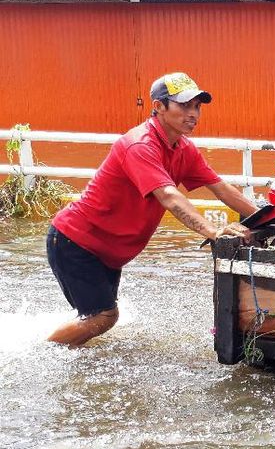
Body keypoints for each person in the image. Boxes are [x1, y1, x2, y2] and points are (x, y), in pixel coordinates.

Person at [46, 72, 258, 346]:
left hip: (106, 251)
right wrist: (214, 231)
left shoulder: (183, 148)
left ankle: (63, 352)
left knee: (97, 317)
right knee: (102, 317)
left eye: (197, 107)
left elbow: (221, 188)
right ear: (158, 106)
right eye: (184, 106)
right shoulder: (140, 145)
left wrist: (269, 218)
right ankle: (44, 356)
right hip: (76, 242)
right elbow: (169, 197)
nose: (193, 114)